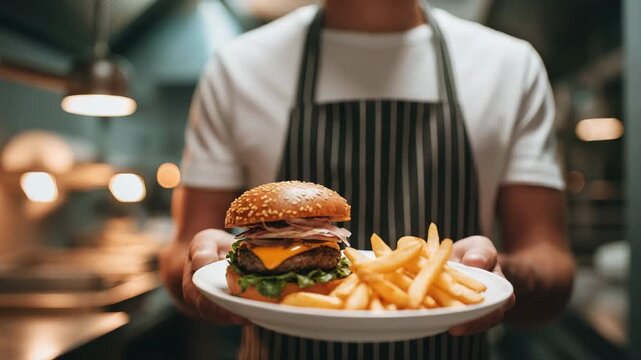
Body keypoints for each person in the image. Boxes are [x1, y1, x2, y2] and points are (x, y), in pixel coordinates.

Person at [159, 0, 576, 358]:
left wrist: (490, 276)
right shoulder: (236, 69)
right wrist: (201, 268)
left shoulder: (510, 67)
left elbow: (551, 264)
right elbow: (181, 252)